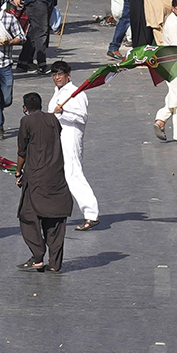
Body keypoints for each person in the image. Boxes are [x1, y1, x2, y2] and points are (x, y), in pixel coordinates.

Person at [2, 89, 74, 270]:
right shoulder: (52, 120)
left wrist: (18, 172)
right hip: (56, 177)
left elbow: (22, 151)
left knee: (28, 216)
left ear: (25, 108)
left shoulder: (26, 121)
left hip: (35, 178)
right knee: (55, 221)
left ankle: (37, 256)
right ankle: (55, 263)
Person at [46, 60, 99, 230]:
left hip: (71, 137)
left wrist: (64, 113)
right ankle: (53, 212)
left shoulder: (77, 93)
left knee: (73, 174)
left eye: (60, 74)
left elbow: (82, 117)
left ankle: (91, 213)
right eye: (54, 74)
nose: (57, 77)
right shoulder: (57, 93)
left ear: (68, 75)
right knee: (55, 175)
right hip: (56, 138)